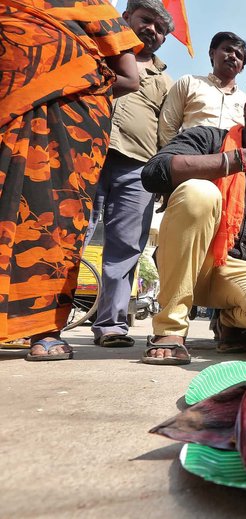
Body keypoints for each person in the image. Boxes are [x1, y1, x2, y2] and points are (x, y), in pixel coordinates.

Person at [0, 0, 140, 361]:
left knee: (55, 221)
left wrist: (63, 79)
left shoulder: (94, 7)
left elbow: (128, 76)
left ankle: (45, 329)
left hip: (69, 129)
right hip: (7, 116)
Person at [140, 72, 246, 365]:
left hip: (234, 274)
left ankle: (229, 320)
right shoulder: (209, 137)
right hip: (190, 264)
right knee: (200, 192)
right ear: (245, 105)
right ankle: (170, 329)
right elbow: (154, 172)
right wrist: (244, 158)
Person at [85, 0, 174, 349]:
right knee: (65, 235)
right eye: (146, 20)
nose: (152, 30)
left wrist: (162, 178)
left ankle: (111, 324)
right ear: (125, 18)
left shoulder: (165, 82)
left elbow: (167, 132)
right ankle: (41, 324)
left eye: (161, 28)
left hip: (137, 168)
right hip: (84, 156)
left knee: (125, 248)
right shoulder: (94, 53)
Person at [158, 31, 246, 147]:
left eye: (239, 55)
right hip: (188, 156)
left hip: (230, 161)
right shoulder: (189, 82)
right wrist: (174, 157)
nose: (233, 56)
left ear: (242, 68)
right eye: (227, 50)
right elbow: (167, 126)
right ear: (212, 53)